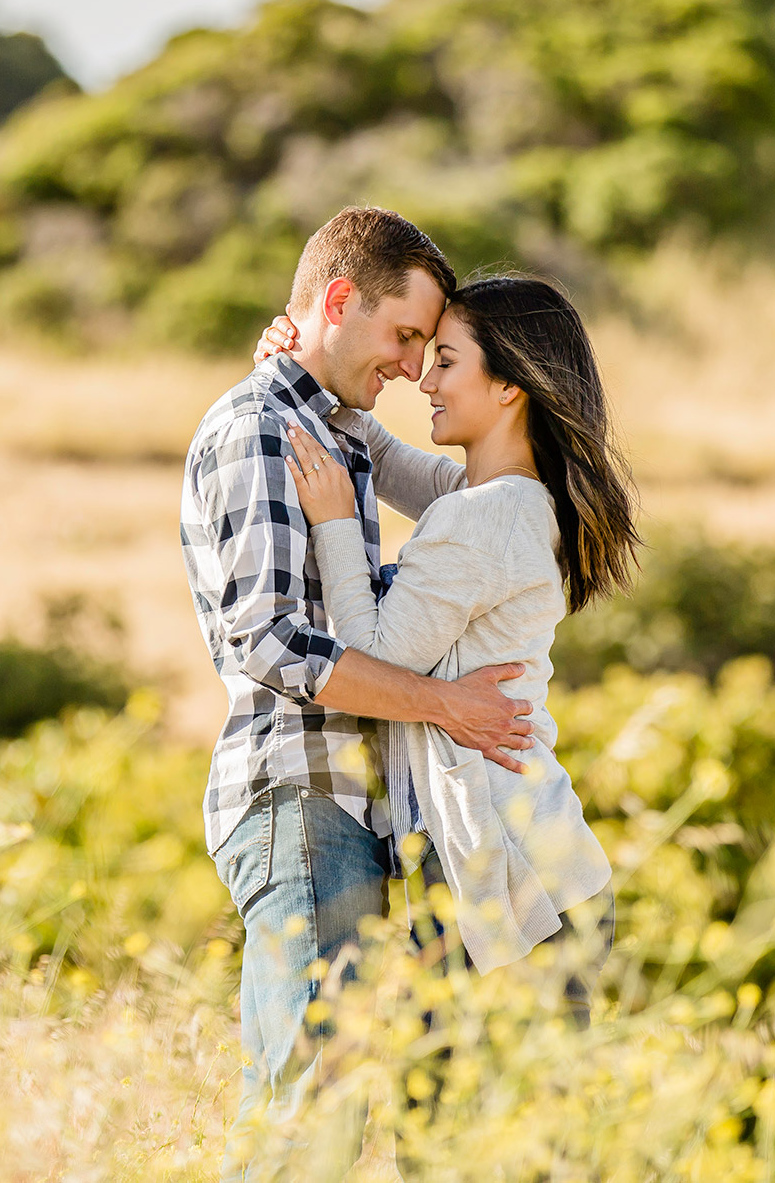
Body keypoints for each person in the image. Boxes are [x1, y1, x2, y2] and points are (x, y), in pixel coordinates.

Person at [180, 206, 536, 1180]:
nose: (414, 367)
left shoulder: (333, 433)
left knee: (334, 1111)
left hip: (349, 805)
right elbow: (271, 640)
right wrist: (447, 703)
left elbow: (483, 501)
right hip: (299, 795)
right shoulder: (261, 427)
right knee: (305, 1114)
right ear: (338, 300)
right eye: (404, 337)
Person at [272, 275, 639, 1001]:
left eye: (445, 361)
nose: (424, 382)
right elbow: (386, 454)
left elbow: (373, 656)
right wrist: (305, 374)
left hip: (509, 865)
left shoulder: (483, 518)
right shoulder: (510, 502)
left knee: (459, 1097)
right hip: (536, 859)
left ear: (509, 387)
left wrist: (336, 519)